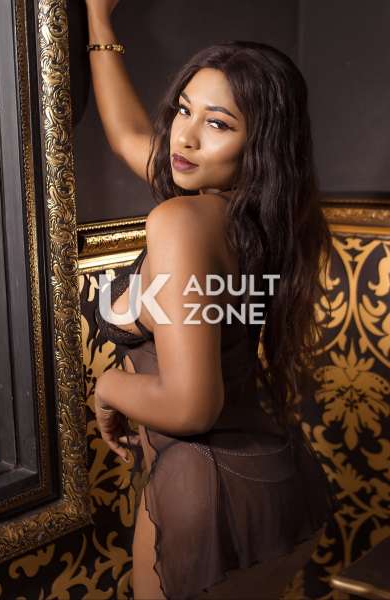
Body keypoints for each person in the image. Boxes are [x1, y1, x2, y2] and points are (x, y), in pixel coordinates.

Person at [85, 1, 336, 598]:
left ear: (259, 143)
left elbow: (191, 405)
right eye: (183, 109)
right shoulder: (267, 215)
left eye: (218, 124)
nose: (186, 136)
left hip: (209, 495)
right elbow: (126, 136)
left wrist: (108, 386)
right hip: (278, 484)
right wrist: (99, 20)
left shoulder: (181, 222)